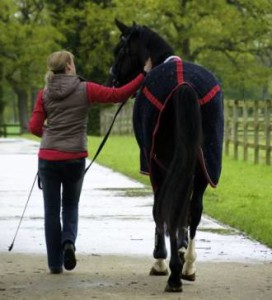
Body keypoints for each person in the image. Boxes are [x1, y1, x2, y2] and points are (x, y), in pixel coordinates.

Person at [29, 50, 152, 274]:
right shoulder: (85, 89)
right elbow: (118, 94)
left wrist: (51, 133)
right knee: (70, 205)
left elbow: (35, 127)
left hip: (48, 159)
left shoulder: (44, 93)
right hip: (74, 158)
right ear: (68, 66)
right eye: (73, 62)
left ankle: (55, 264)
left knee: (51, 212)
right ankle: (68, 242)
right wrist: (143, 75)